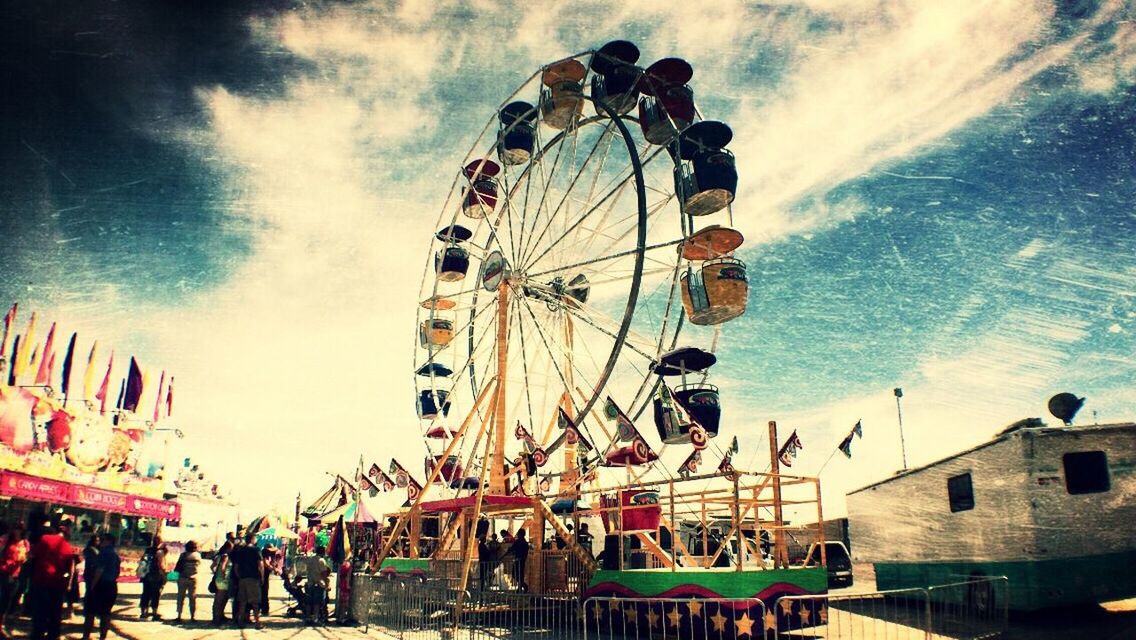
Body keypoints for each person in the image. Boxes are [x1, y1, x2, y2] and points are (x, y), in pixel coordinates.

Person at [27, 520, 75, 640]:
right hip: (57, 584)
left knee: (39, 610)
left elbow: (32, 555)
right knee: (54, 612)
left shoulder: (44, 539)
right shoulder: (68, 547)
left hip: (41, 579)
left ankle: (37, 634)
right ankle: (53, 634)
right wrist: (67, 583)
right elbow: (69, 569)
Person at [81, 534, 119, 640]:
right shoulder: (115, 555)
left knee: (90, 611)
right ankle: (103, 637)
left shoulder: (104, 553)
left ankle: (86, 636)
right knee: (105, 613)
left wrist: (92, 586)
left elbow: (99, 570)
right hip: (111, 585)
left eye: (102, 540)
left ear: (108, 541)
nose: (101, 542)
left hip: (101, 585)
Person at [0, 525, 29, 637]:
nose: (18, 531)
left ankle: (3, 623)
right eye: (16, 528)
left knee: (9, 600)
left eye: (20, 529)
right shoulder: (6, 539)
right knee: (3, 598)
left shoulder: (25, 543)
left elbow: (26, 557)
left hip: (16, 573)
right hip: (4, 572)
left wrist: (24, 559)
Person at [230, 533, 264, 629]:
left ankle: (241, 622)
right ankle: (257, 622)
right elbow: (260, 565)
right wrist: (262, 577)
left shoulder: (241, 550)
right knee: (255, 602)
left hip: (243, 578)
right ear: (253, 539)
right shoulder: (256, 550)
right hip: (253, 578)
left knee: (243, 601)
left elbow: (236, 566)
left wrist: (239, 576)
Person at [138, 536, 169, 619]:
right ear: (160, 542)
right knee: (155, 594)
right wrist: (164, 575)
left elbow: (143, 561)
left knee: (145, 593)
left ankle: (143, 612)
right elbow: (161, 565)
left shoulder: (148, 550)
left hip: (146, 575)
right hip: (156, 576)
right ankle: (154, 613)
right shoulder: (160, 552)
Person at [174, 540, 201, 622]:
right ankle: (192, 616)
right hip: (193, 578)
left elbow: (177, 567)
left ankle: (179, 615)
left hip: (183, 578)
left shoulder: (183, 555)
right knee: (192, 597)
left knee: (180, 597)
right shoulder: (197, 555)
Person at [302, 546, 330, 624]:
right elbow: (324, 573)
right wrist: (327, 583)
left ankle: (308, 617)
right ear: (323, 552)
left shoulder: (310, 560)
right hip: (319, 584)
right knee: (317, 602)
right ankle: (315, 618)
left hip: (310, 583)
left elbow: (307, 570)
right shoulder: (321, 561)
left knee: (309, 601)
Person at [210, 540, 232, 625]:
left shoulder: (218, 556)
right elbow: (223, 567)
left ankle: (219, 616)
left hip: (219, 579)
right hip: (223, 580)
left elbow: (212, 567)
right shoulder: (225, 556)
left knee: (219, 599)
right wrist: (223, 575)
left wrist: (216, 573)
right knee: (220, 600)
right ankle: (217, 618)